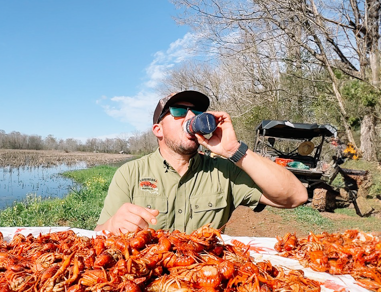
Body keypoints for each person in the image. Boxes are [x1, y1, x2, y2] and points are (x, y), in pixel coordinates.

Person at [96, 90, 308, 234]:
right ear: (157, 130)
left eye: (196, 112)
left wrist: (234, 150)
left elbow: (295, 197)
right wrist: (113, 225)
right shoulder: (130, 173)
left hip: (206, 286)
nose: (190, 116)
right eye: (179, 111)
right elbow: (99, 234)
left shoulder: (224, 171)